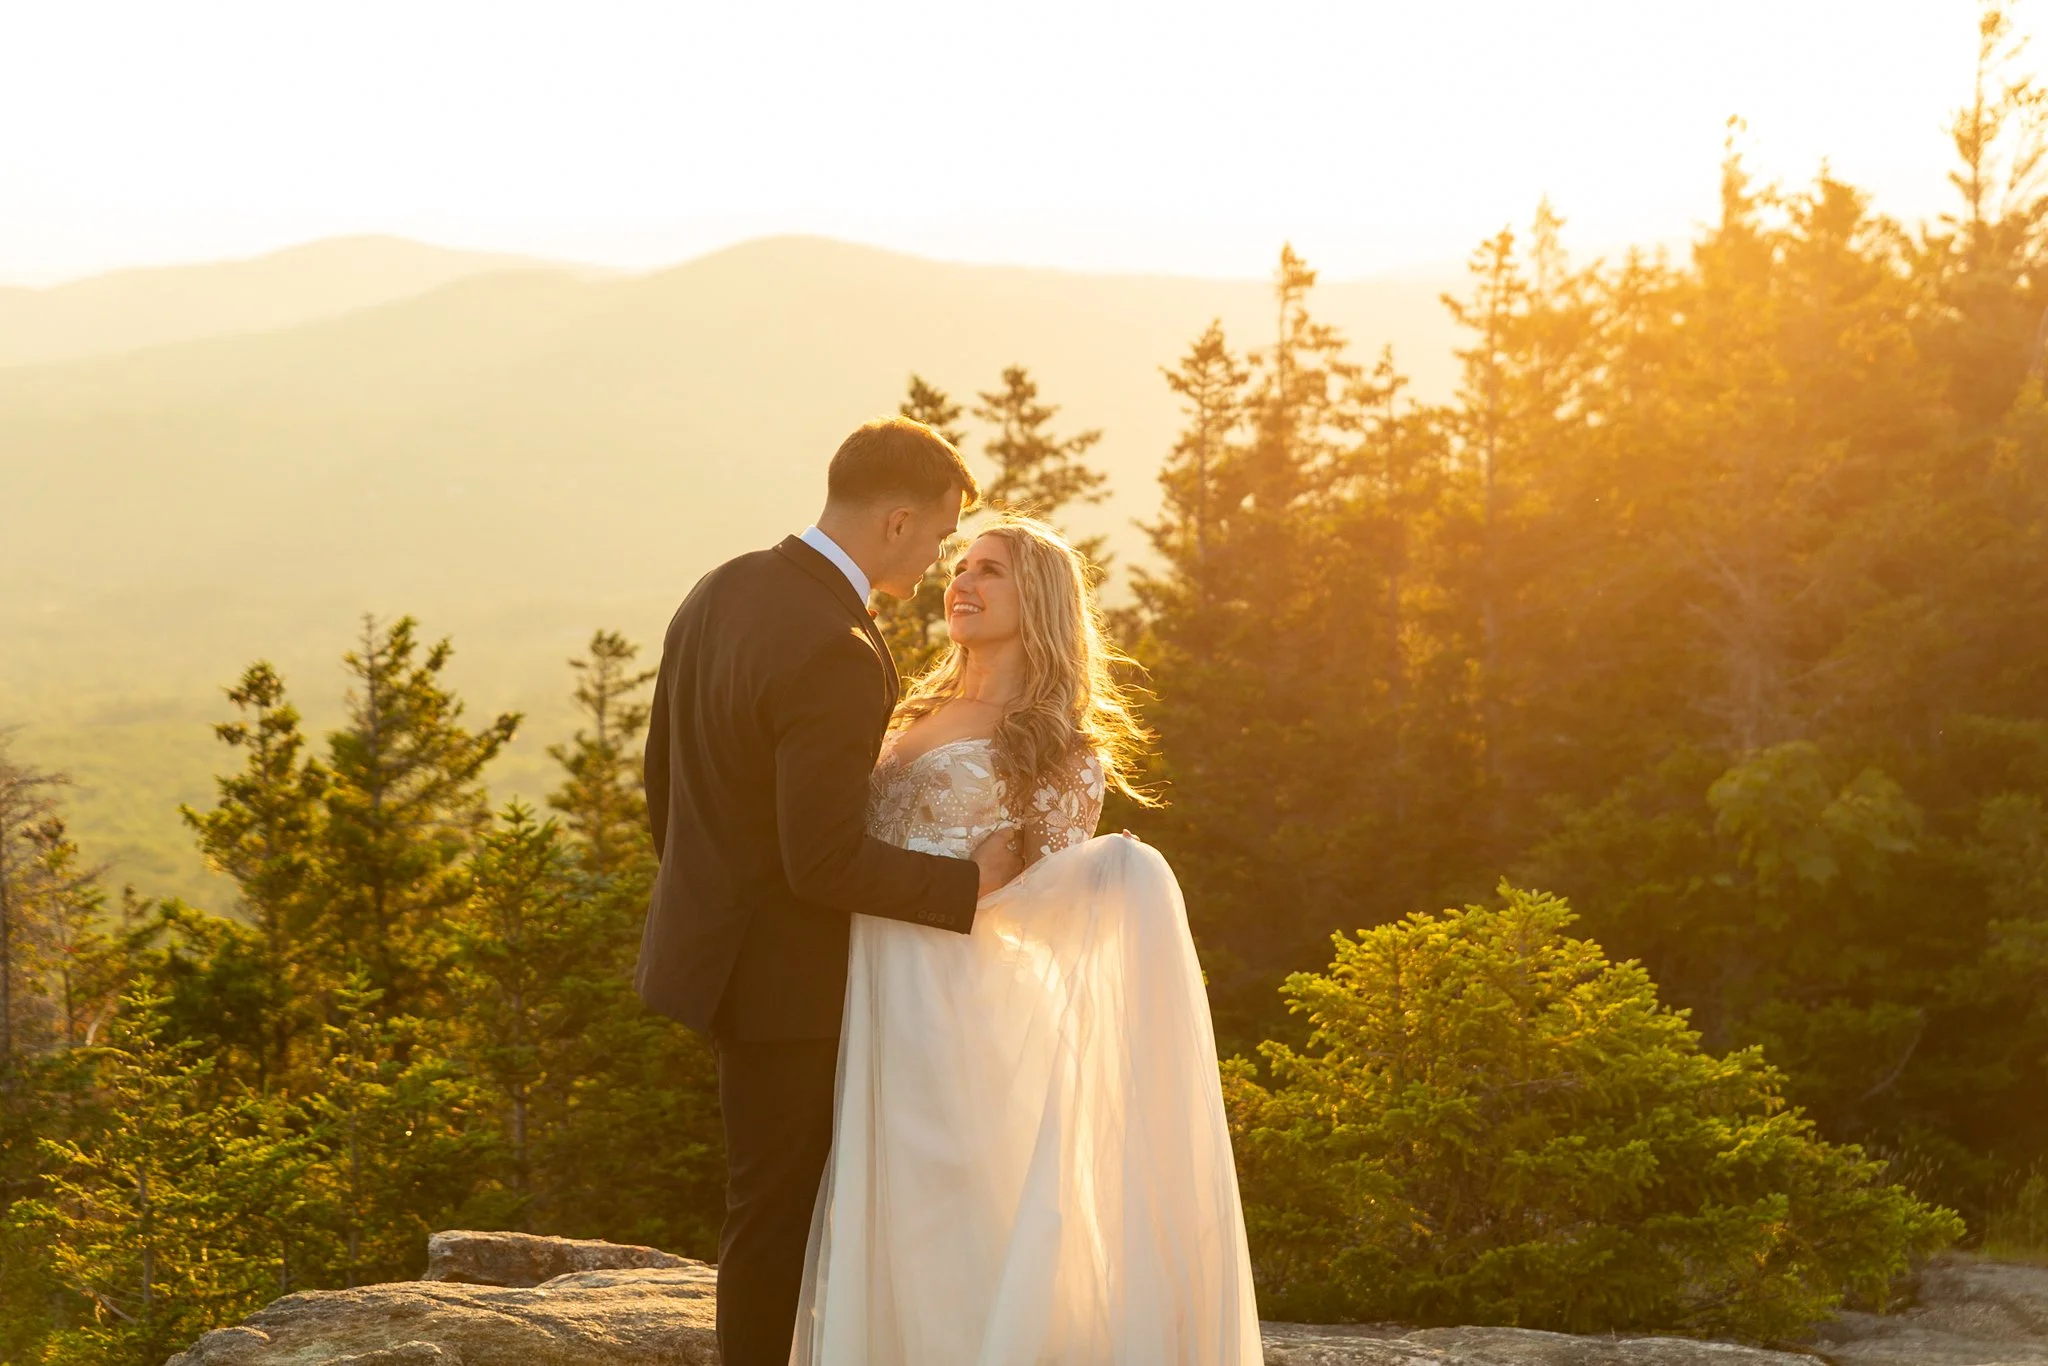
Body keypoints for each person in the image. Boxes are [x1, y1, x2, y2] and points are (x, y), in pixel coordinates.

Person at [790, 516, 1263, 1364]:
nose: (961, 584)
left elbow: (1058, 906)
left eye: (990, 573)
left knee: (950, 1192)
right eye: (959, 567)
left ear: (1038, 597)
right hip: (869, 971)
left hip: (959, 995)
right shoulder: (910, 708)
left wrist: (998, 886)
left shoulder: (1056, 745)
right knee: (889, 1195)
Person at [635, 416, 1025, 1366]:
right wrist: (964, 885)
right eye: (939, 536)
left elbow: (664, 780)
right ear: (896, 521)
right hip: (787, 978)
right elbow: (820, 861)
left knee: (764, 1204)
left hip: (722, 951)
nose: (940, 561)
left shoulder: (722, 587)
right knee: (775, 1215)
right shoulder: (837, 647)